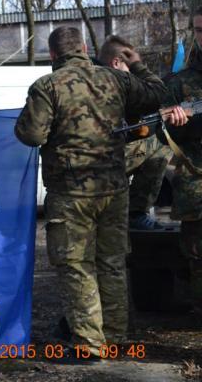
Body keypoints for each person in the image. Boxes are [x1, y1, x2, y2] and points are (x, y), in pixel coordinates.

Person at [15, 26, 186, 358]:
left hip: (71, 194)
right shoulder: (116, 78)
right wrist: (136, 63)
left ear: (53, 54)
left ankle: (89, 345)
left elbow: (32, 135)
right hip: (114, 189)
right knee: (112, 262)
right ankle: (115, 336)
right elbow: (159, 94)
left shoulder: (47, 86)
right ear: (83, 48)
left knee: (77, 265)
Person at [98, 35, 173, 230]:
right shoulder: (119, 82)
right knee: (161, 145)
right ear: (116, 63)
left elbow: (133, 127)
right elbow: (159, 93)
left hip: (79, 165)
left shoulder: (84, 80)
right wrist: (138, 66)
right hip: (104, 164)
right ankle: (136, 212)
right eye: (128, 65)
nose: (131, 72)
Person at [161, 5, 202, 315]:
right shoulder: (179, 82)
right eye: (199, 31)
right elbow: (162, 134)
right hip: (197, 183)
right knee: (197, 255)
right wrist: (178, 125)